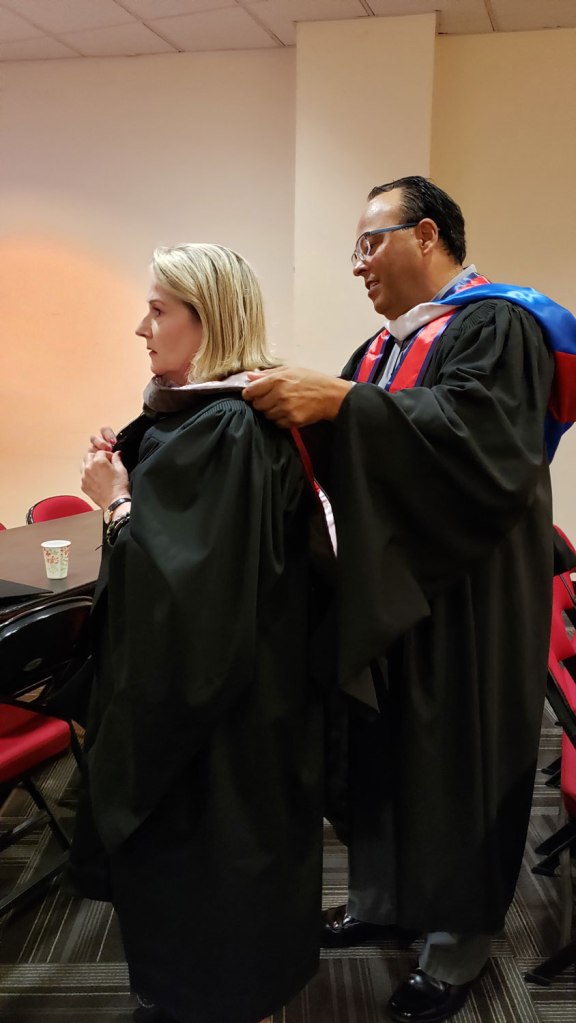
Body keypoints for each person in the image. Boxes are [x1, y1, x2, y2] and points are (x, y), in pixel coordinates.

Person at [243, 176, 576, 1023]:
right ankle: (384, 899)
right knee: (385, 746)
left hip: (467, 593)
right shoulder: (380, 348)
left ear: (426, 234)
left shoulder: (500, 323)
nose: (358, 265)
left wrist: (346, 404)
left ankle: (457, 945)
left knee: (457, 757)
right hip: (392, 584)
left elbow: (480, 443)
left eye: (370, 243)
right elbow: (363, 440)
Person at [69, 243, 324, 1023]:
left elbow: (185, 602)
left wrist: (115, 504)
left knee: (213, 883)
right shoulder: (212, 421)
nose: (140, 327)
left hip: (219, 720)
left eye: (158, 310)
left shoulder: (227, 432)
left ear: (204, 322)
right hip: (234, 702)